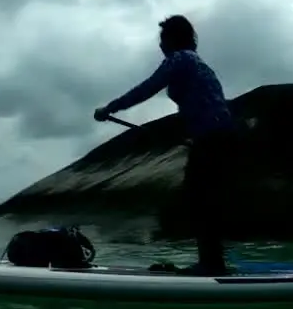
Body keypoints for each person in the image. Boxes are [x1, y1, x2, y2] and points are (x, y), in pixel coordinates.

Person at [94, 15, 239, 275]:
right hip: (219, 136)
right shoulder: (199, 64)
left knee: (200, 199)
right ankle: (214, 262)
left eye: (163, 39)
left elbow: (148, 88)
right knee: (206, 199)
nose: (160, 45)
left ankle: (211, 264)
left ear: (174, 39)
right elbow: (203, 103)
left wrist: (110, 108)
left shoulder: (180, 59)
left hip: (212, 137)